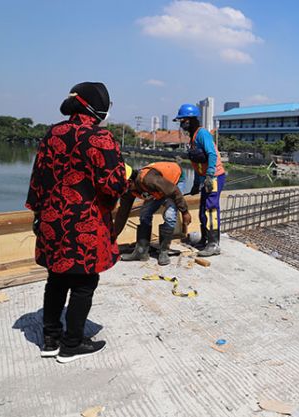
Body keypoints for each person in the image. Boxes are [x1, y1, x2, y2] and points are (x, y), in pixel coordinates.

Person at [26, 82, 126, 363]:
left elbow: (38, 179)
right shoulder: (100, 137)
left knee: (56, 279)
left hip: (52, 221)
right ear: (97, 106)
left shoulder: (52, 133)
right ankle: (72, 344)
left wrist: (38, 214)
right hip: (85, 223)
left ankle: (50, 339)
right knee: (84, 283)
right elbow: (114, 185)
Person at [113, 162, 192, 265]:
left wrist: (185, 212)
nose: (123, 190)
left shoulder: (149, 180)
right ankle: (141, 252)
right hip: (160, 188)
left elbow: (174, 191)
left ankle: (163, 252)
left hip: (174, 181)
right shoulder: (129, 191)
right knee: (145, 213)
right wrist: (112, 237)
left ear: (130, 181)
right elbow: (122, 214)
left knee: (170, 215)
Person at [174, 103, 225, 256]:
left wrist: (209, 175)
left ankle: (214, 244)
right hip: (205, 178)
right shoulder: (193, 138)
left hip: (214, 176)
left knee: (211, 209)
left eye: (182, 121)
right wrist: (196, 184)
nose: (182, 125)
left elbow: (211, 154)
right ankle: (205, 239)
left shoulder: (202, 134)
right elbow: (197, 164)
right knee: (203, 209)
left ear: (189, 120)